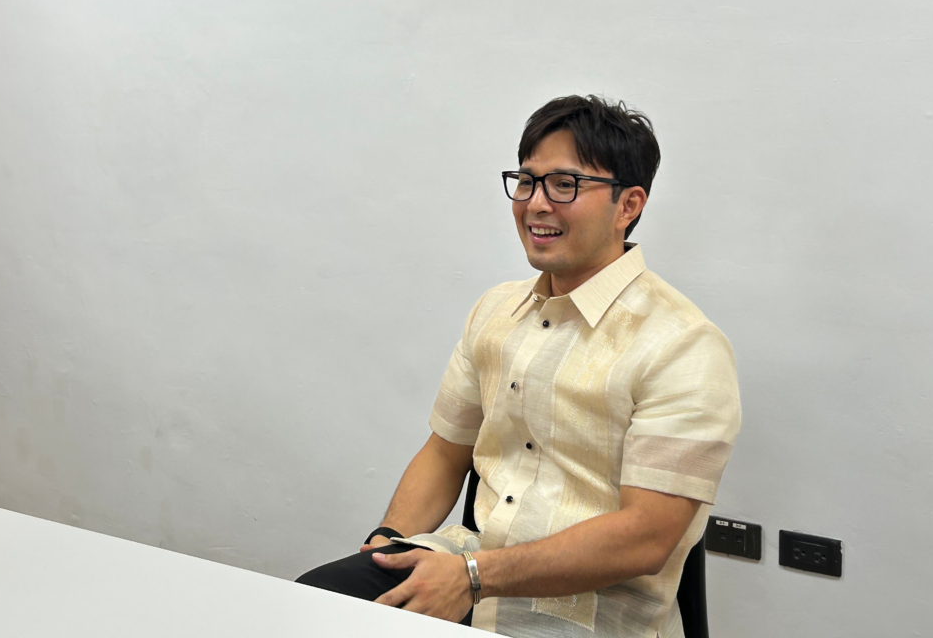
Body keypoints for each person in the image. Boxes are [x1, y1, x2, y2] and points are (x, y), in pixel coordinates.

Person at [296, 94, 741, 637]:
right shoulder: (496, 310)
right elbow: (445, 451)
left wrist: (475, 576)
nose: (536, 204)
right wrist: (389, 537)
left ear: (628, 205)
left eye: (565, 185)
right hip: (461, 564)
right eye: (527, 181)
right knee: (308, 607)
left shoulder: (684, 346)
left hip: (590, 611)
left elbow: (647, 537)